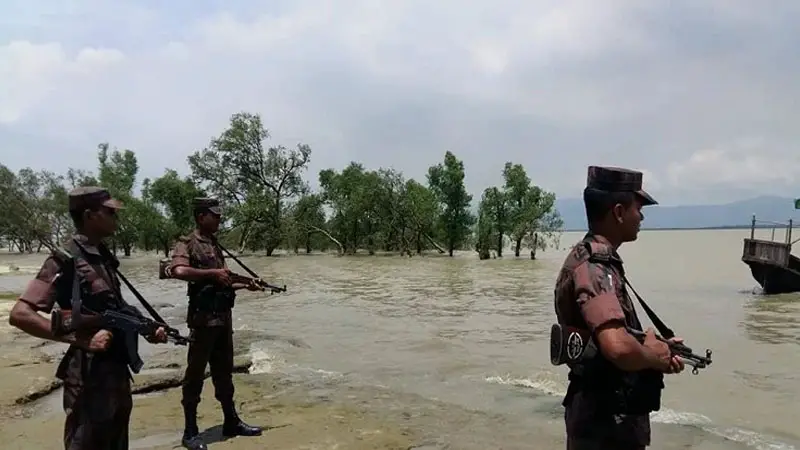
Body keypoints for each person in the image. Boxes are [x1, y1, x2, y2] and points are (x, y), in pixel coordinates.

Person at [8, 186, 168, 450]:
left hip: (116, 371)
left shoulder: (101, 256)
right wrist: (80, 339)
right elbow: (20, 314)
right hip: (88, 379)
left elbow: (115, 306)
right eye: (110, 212)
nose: (116, 217)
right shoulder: (64, 259)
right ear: (90, 215)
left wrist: (146, 328)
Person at [553, 166, 685, 450]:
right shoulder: (595, 267)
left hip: (600, 419)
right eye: (638, 207)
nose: (642, 216)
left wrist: (657, 347)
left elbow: (601, 339)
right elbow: (617, 348)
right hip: (606, 425)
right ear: (618, 212)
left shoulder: (588, 259)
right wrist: (652, 356)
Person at [168, 197, 262, 450]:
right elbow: (178, 271)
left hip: (223, 319)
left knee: (224, 374)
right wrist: (211, 274)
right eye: (215, 215)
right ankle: (190, 431)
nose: (219, 219)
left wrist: (247, 285)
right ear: (201, 217)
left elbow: (223, 280)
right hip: (202, 321)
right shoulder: (187, 243)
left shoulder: (215, 245)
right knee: (195, 376)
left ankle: (231, 420)